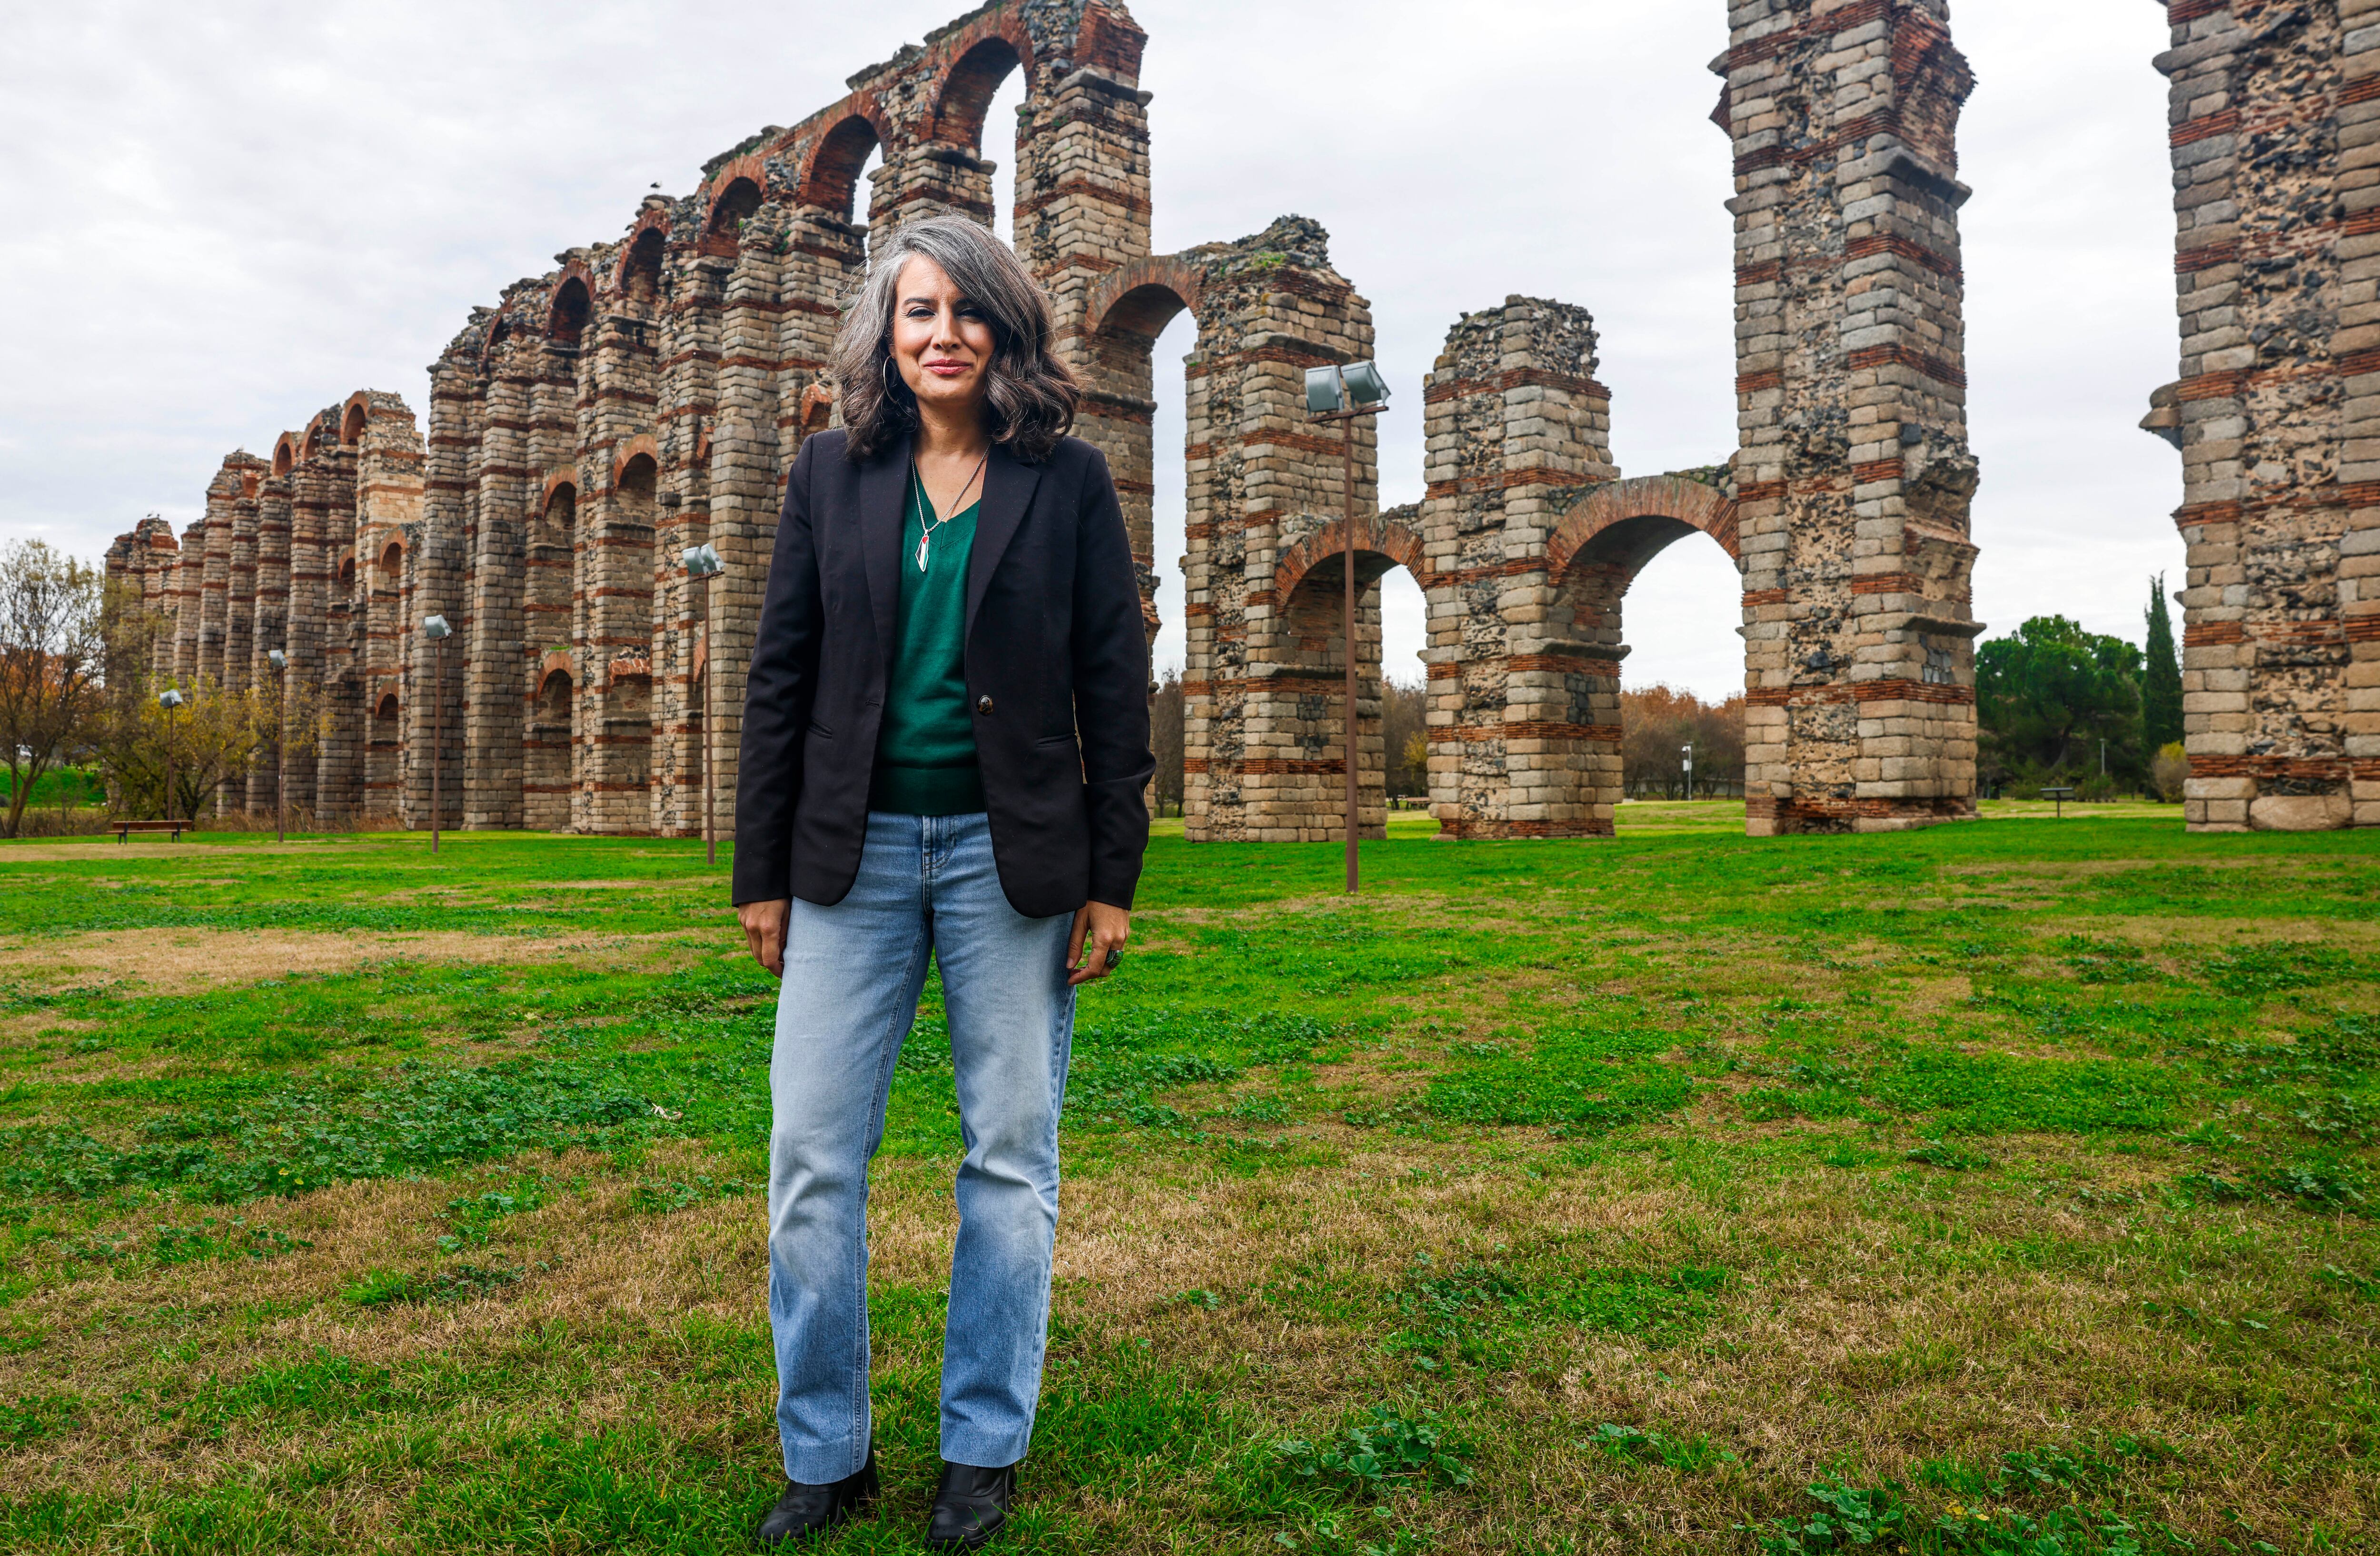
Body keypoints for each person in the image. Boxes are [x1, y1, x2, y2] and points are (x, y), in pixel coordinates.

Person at [732, 212, 1153, 1549]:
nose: (944, 334)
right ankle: (826, 1452)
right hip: (846, 856)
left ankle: (981, 1446)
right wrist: (760, 872)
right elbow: (781, 676)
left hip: (1007, 856)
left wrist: (1113, 876)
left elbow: (1114, 682)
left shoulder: (1067, 480)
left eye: (968, 310)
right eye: (920, 311)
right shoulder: (830, 472)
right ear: (888, 332)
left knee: (1008, 1162)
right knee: (811, 1157)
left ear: (1005, 328)